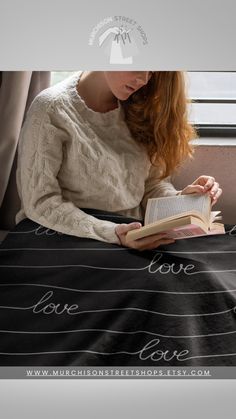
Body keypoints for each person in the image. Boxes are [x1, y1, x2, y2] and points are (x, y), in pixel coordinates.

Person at [16, 71, 222, 251]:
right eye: (139, 66)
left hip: (131, 235)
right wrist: (113, 233)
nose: (144, 79)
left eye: (152, 71)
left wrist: (181, 200)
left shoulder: (143, 105)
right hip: (67, 237)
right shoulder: (51, 109)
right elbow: (40, 202)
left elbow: (151, 185)